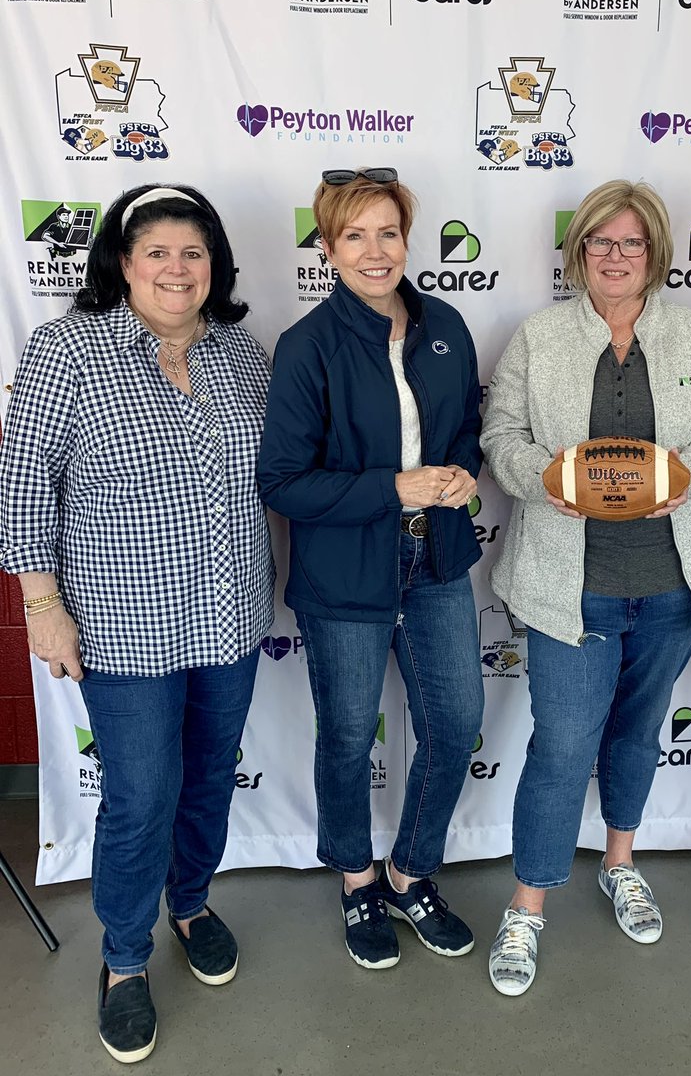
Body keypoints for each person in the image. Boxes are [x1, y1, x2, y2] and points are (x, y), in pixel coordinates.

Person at [0, 184, 276, 1062]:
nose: (175, 268)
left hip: (230, 616)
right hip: (125, 627)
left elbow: (284, 471)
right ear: (122, 263)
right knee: (141, 796)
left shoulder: (243, 353)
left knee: (206, 779)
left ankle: (190, 904)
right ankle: (124, 960)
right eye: (155, 251)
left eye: (192, 253)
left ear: (214, 266)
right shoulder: (66, 351)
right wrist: (42, 607)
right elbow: (22, 489)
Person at [480, 179, 691, 996]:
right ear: (579, 252)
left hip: (674, 586)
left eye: (632, 243)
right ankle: (527, 907)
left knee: (636, 735)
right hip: (574, 589)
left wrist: (687, 474)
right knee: (563, 747)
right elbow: (502, 436)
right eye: (600, 242)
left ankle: (620, 863)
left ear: (656, 254)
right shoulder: (539, 337)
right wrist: (546, 479)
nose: (615, 257)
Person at [257, 167, 484, 972]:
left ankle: (410, 874)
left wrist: (461, 473)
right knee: (348, 736)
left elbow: (467, 430)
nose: (375, 250)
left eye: (388, 232)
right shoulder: (307, 346)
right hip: (345, 573)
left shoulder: (447, 325)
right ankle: (357, 881)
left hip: (438, 561)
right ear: (327, 247)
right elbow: (281, 482)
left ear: (407, 239)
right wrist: (392, 488)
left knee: (455, 725)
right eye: (354, 235)